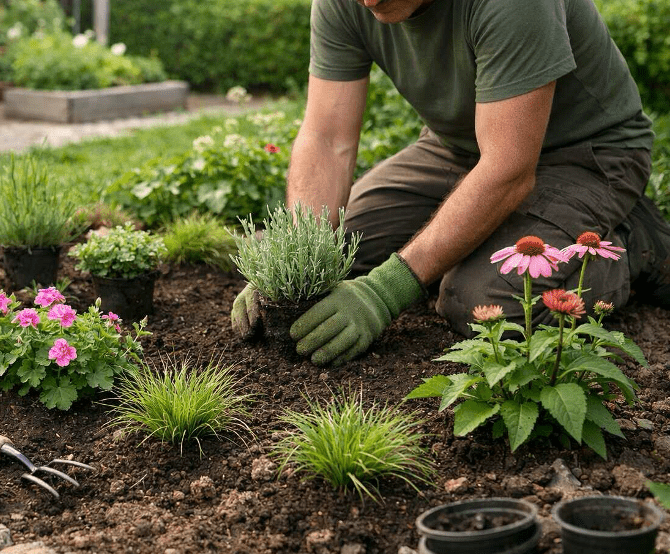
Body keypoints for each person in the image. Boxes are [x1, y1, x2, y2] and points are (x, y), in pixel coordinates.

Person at [231, 0, 669, 367]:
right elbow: (327, 139)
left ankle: (630, 243)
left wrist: (385, 292)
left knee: (482, 303)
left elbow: (508, 168)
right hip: (458, 149)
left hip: (586, 156)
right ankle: (497, 232)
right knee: (342, 251)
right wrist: (294, 263)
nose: (367, 1)